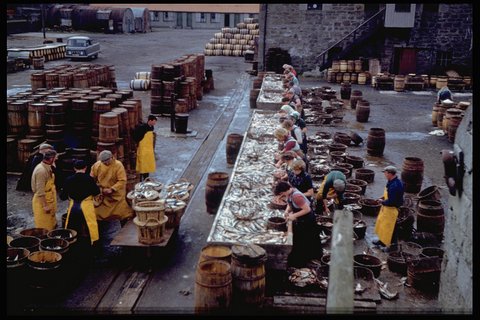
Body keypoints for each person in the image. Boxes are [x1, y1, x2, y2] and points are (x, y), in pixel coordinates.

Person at [59, 160, 100, 277]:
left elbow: (62, 197)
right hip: (86, 206)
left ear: (74, 168)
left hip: (74, 207)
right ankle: (92, 251)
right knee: (91, 229)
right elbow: (96, 192)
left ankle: (71, 250)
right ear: (86, 168)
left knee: (72, 229)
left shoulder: (68, 180)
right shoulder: (89, 179)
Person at [274, 181, 321, 268]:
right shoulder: (290, 192)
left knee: (305, 241)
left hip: (307, 220)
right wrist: (287, 210)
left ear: (285, 190)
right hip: (301, 218)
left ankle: (304, 261)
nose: (282, 195)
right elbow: (289, 203)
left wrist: (294, 215)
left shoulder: (297, 196)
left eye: (281, 193)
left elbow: (307, 210)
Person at [90, 150, 134, 224]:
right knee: (98, 212)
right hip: (103, 193)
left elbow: (122, 180)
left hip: (116, 193)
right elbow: (91, 179)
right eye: (103, 161)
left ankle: (122, 222)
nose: (106, 163)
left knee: (121, 212)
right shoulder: (97, 165)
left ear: (112, 157)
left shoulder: (118, 165)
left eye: (107, 160)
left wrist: (112, 189)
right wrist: (97, 188)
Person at [373, 166, 404, 247]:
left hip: (392, 209)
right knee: (383, 225)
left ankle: (393, 246)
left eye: (385, 173)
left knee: (391, 229)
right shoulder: (391, 181)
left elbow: (392, 201)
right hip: (386, 208)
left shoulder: (395, 186)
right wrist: (383, 197)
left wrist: (382, 201)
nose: (384, 175)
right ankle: (382, 241)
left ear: (390, 174)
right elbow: (388, 195)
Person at [31, 149, 58, 231]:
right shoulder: (41, 171)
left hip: (49, 197)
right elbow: (40, 191)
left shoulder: (47, 167)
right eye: (55, 158)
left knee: (51, 224)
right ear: (51, 159)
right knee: (44, 228)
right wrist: (45, 206)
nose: (57, 159)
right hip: (42, 201)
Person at [134, 114, 158, 181]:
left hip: (149, 150)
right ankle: (141, 179)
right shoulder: (142, 127)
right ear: (150, 121)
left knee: (147, 165)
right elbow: (136, 136)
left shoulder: (151, 128)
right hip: (143, 149)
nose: (155, 123)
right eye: (154, 121)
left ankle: (146, 178)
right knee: (142, 165)